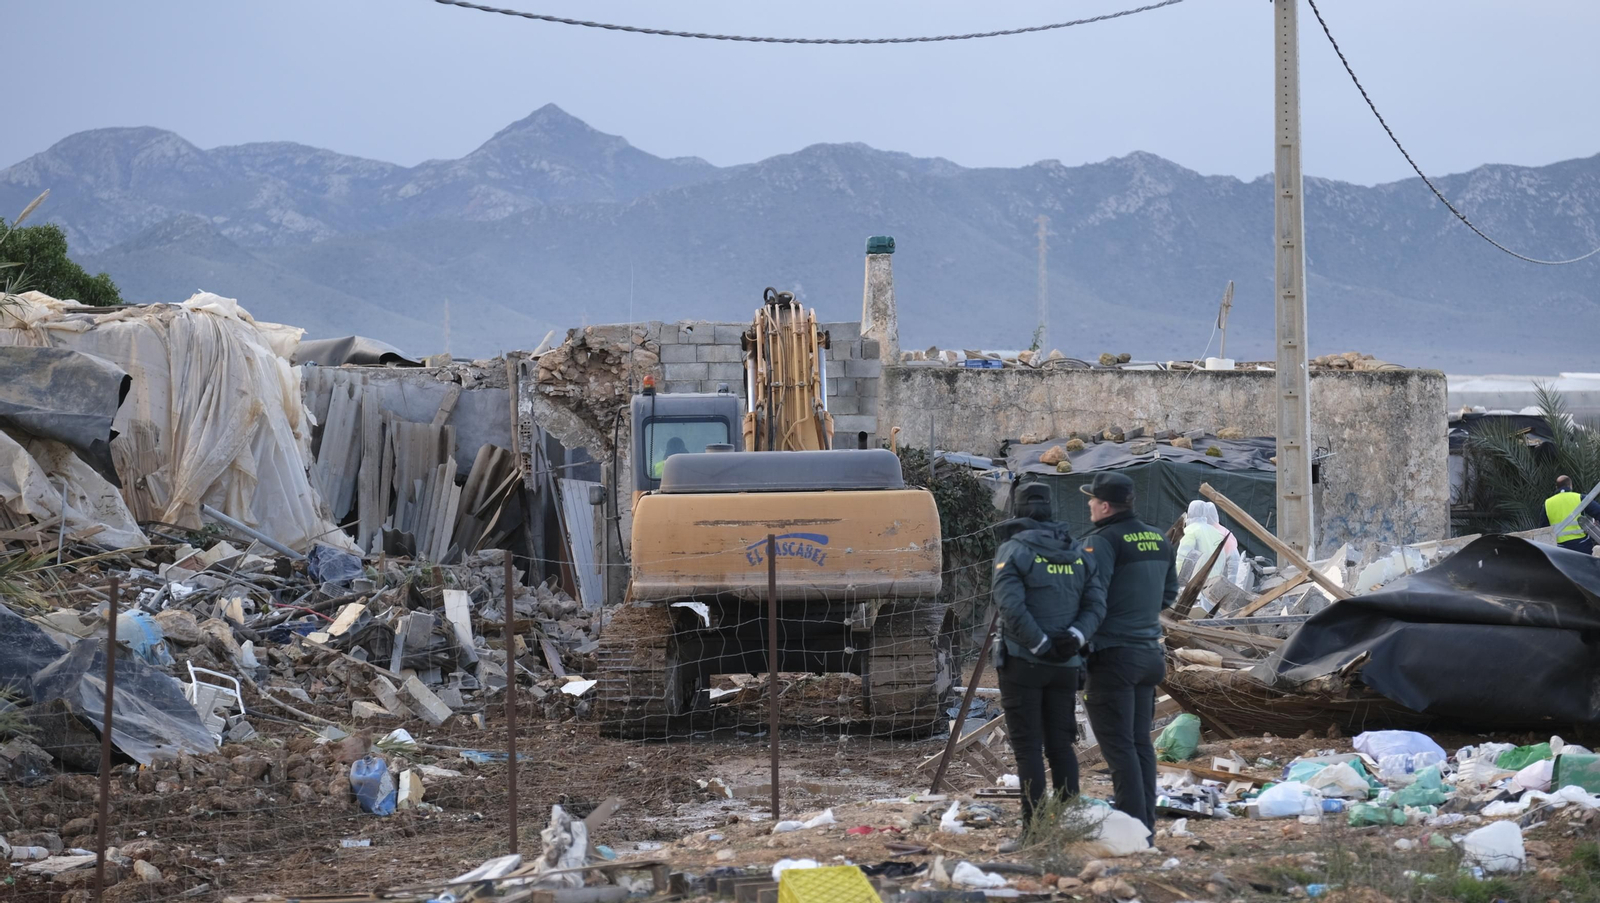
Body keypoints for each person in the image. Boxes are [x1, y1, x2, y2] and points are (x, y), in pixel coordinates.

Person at [990, 483, 1106, 838]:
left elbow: (1010, 606)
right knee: (1061, 745)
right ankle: (1071, 827)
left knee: (1028, 750)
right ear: (1051, 510)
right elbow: (1096, 605)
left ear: (1018, 510)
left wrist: (1039, 643)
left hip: (1023, 663)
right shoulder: (1080, 552)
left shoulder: (1013, 550)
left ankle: (1034, 833)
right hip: (1066, 666)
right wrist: (1073, 638)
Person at [1079, 472, 1180, 834]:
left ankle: (1133, 829)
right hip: (1149, 655)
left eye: (1092, 499)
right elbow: (1169, 596)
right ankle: (1146, 825)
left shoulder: (1103, 542)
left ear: (1105, 506)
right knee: (1140, 745)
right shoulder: (1157, 538)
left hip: (1112, 656)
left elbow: (1092, 596)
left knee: (1119, 749)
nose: (1088, 504)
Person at [1546, 475, 1600, 554]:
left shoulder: (1547, 503)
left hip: (1560, 549)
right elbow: (1598, 511)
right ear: (1570, 486)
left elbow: (1544, 530)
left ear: (1556, 487)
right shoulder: (1579, 498)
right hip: (1581, 545)